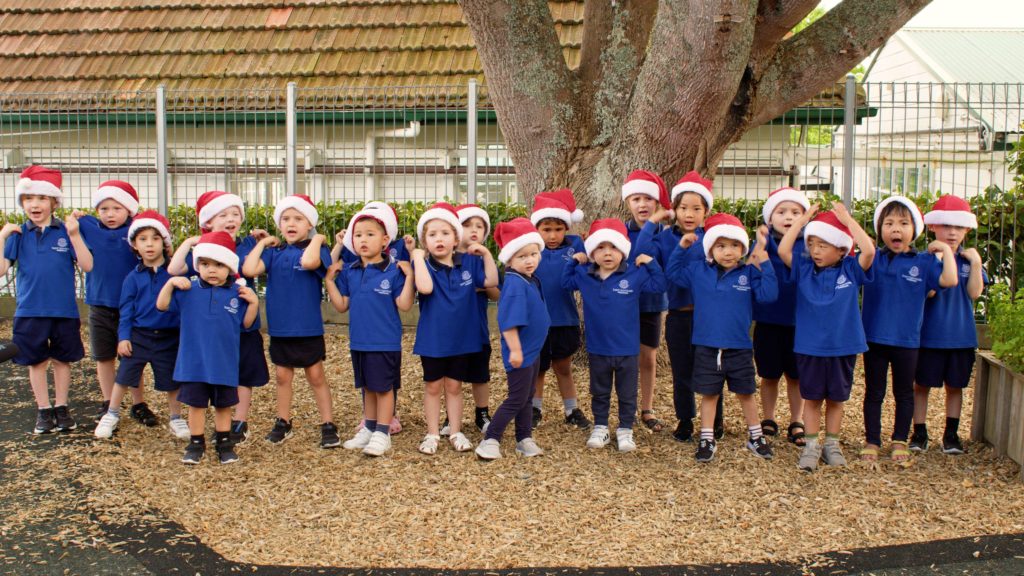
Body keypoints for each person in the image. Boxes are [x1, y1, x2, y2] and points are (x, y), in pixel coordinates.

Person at [666, 213, 779, 462]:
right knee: (710, 394)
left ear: (742, 248)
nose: (728, 251)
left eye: (734, 245)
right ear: (710, 249)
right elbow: (673, 274)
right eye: (721, 246)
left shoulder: (748, 273)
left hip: (739, 347)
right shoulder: (698, 271)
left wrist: (765, 261)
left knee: (746, 393)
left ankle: (756, 436)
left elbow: (769, 295)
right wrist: (681, 247)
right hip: (706, 346)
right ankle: (707, 438)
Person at [777, 205, 876, 472]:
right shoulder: (804, 268)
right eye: (811, 244)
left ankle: (831, 444)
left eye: (823, 245)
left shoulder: (851, 269)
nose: (816, 251)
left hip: (843, 347)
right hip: (809, 347)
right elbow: (783, 251)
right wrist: (802, 222)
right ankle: (811, 446)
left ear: (842, 249)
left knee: (836, 399)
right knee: (812, 399)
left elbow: (869, 251)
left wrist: (848, 221)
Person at [168, 190, 271, 444]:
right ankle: (207, 427)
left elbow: (253, 267)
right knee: (209, 376)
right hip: (211, 329)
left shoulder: (247, 244)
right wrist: (189, 242)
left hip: (243, 322)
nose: (230, 219)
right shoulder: (203, 250)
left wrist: (261, 241)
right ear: (208, 221)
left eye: (235, 214)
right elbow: (174, 269)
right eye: (222, 215)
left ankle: (239, 422)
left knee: (243, 373)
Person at [861, 196, 958, 463]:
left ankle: (900, 440)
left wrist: (945, 250)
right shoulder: (873, 259)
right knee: (874, 392)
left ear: (914, 230)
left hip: (907, 341)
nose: (896, 229)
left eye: (904, 223)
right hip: (873, 338)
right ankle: (872, 440)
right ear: (880, 229)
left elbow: (950, 279)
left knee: (904, 393)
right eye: (889, 223)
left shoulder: (924, 262)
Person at [241, 194, 340, 448]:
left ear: (310, 223)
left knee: (316, 376)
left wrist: (318, 237)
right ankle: (283, 421)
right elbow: (249, 269)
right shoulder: (274, 253)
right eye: (285, 219)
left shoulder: (318, 249)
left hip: (307, 328)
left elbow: (309, 261)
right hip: (280, 329)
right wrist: (263, 244)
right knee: (283, 376)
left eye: (298, 218)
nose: (291, 223)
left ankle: (328, 423)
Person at [0, 166, 93, 434]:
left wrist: (74, 235)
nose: (35, 204)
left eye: (42, 198)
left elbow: (87, 265)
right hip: (29, 311)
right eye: (28, 198)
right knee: (36, 362)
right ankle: (43, 409)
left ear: (54, 202)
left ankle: (61, 407)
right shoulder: (18, 235)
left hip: (64, 311)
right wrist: (2, 236)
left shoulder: (66, 231)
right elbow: (1, 269)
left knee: (62, 360)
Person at [562, 219, 666, 453]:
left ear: (623, 251)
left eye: (613, 247)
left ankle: (625, 429)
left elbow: (659, 285)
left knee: (627, 393)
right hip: (598, 348)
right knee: (599, 391)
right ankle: (601, 427)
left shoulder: (634, 274)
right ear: (592, 252)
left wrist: (651, 264)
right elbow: (565, 282)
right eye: (600, 247)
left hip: (627, 349)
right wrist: (573, 261)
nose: (607, 253)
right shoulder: (584, 275)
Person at [157, 231, 259, 464]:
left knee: (223, 405)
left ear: (230, 267)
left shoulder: (237, 293)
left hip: (224, 363)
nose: (211, 270)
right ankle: (196, 443)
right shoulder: (188, 290)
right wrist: (170, 284)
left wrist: (253, 303)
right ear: (198, 266)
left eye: (218, 265)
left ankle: (224, 443)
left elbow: (246, 323)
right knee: (196, 404)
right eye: (205, 264)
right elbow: (161, 305)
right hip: (194, 363)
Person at [326, 203, 415, 456]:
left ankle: (383, 432)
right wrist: (329, 280)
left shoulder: (394, 271)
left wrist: (410, 277)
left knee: (383, 388)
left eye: (370, 234)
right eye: (358, 235)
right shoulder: (350, 272)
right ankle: (370, 426)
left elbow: (405, 305)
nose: (363, 240)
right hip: (359, 341)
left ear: (385, 240)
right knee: (367, 387)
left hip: (384, 342)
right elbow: (341, 306)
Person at [635, 171, 717, 442]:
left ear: (706, 211)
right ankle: (685, 419)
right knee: (682, 371)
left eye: (696, 208)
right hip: (679, 317)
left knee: (711, 369)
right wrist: (654, 221)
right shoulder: (666, 239)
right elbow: (641, 250)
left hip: (709, 316)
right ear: (675, 210)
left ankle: (715, 419)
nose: (689, 214)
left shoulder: (713, 237)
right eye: (683, 208)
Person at [411, 203, 499, 455]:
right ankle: (432, 433)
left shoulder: (470, 262)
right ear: (424, 241)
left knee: (454, 386)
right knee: (432, 387)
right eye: (432, 235)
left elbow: (492, 281)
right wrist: (417, 257)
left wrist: (487, 255)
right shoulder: (424, 266)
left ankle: (456, 431)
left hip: (462, 340)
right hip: (433, 340)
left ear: (456, 239)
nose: (439, 239)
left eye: (445, 233)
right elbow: (425, 288)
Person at [95, 211, 188, 439]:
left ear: (164, 243)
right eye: (143, 239)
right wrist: (124, 337)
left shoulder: (175, 273)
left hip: (169, 336)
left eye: (155, 238)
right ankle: (111, 413)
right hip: (139, 336)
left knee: (172, 380)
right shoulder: (132, 278)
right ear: (135, 245)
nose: (149, 244)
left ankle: (176, 417)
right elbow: (126, 311)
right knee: (124, 376)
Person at [73, 181, 154, 426]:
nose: (110, 214)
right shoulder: (88, 227)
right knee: (104, 357)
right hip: (99, 304)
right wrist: (76, 217)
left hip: (132, 307)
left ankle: (138, 403)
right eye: (104, 209)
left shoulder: (136, 231)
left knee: (132, 358)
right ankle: (109, 402)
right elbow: (71, 224)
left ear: (129, 209)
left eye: (117, 208)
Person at [914, 195, 987, 455]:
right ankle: (919, 432)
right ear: (933, 226)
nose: (952, 232)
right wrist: (942, 257)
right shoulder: (924, 260)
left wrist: (976, 263)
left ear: (967, 230)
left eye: (958, 227)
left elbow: (975, 293)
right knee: (921, 385)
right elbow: (929, 292)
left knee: (955, 387)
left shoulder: (968, 260)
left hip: (961, 336)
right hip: (928, 336)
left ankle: (951, 435)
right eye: (946, 226)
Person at [475, 218, 551, 460]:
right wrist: (516, 350)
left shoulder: (529, 279)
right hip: (521, 352)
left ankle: (524, 438)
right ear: (509, 260)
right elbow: (508, 322)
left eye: (533, 254)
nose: (529, 260)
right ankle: (491, 439)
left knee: (527, 396)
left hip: (532, 350)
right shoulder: (516, 285)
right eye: (522, 256)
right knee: (517, 398)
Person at [528, 189, 591, 430]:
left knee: (563, 367)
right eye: (546, 229)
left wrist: (585, 251)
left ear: (566, 228)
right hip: (537, 323)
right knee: (539, 368)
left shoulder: (576, 248)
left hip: (565, 319)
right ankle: (535, 409)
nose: (552, 235)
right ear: (537, 229)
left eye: (558, 229)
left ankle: (571, 409)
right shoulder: (531, 251)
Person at [753, 187, 811, 447]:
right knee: (769, 374)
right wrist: (760, 244)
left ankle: (797, 420)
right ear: (770, 217)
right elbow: (751, 267)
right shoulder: (764, 241)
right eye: (782, 212)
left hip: (800, 321)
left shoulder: (809, 243)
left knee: (796, 376)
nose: (788, 217)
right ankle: (768, 417)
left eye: (796, 212)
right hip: (768, 319)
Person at [620, 170, 671, 432]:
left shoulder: (666, 234)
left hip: (651, 304)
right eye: (636, 199)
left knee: (648, 359)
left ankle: (647, 408)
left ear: (657, 203)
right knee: (625, 359)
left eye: (648, 199)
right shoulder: (620, 232)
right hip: (623, 305)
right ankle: (625, 407)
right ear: (628, 203)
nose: (642, 204)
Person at [453, 203, 500, 434]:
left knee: (480, 375)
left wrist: (481, 286)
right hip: (453, 331)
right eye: (467, 225)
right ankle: (452, 417)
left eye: (479, 226)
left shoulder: (483, 260)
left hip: (477, 329)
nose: (473, 230)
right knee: (453, 377)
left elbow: (496, 293)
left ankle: (482, 413)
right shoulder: (447, 258)